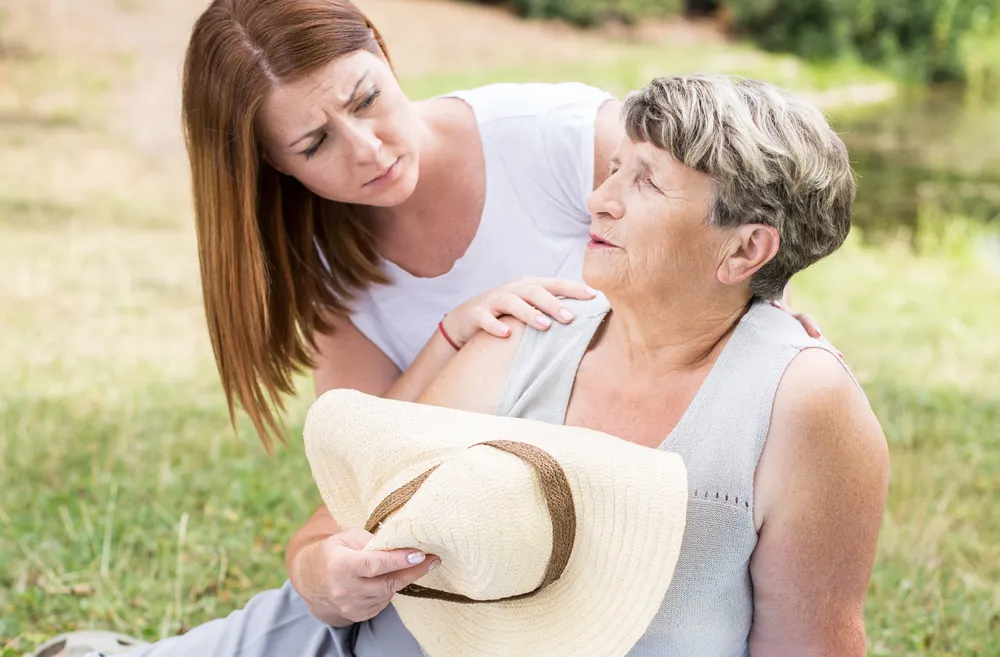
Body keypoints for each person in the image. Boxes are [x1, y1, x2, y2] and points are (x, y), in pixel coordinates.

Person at [32, 0, 824, 654]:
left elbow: (720, 214)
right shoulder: (324, 266)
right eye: (315, 143)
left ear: (381, 46)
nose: (368, 147)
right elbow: (360, 476)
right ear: (274, 165)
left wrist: (764, 317)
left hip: (589, 533)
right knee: (300, 628)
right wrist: (453, 338)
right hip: (451, 558)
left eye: (366, 97)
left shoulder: (552, 136)